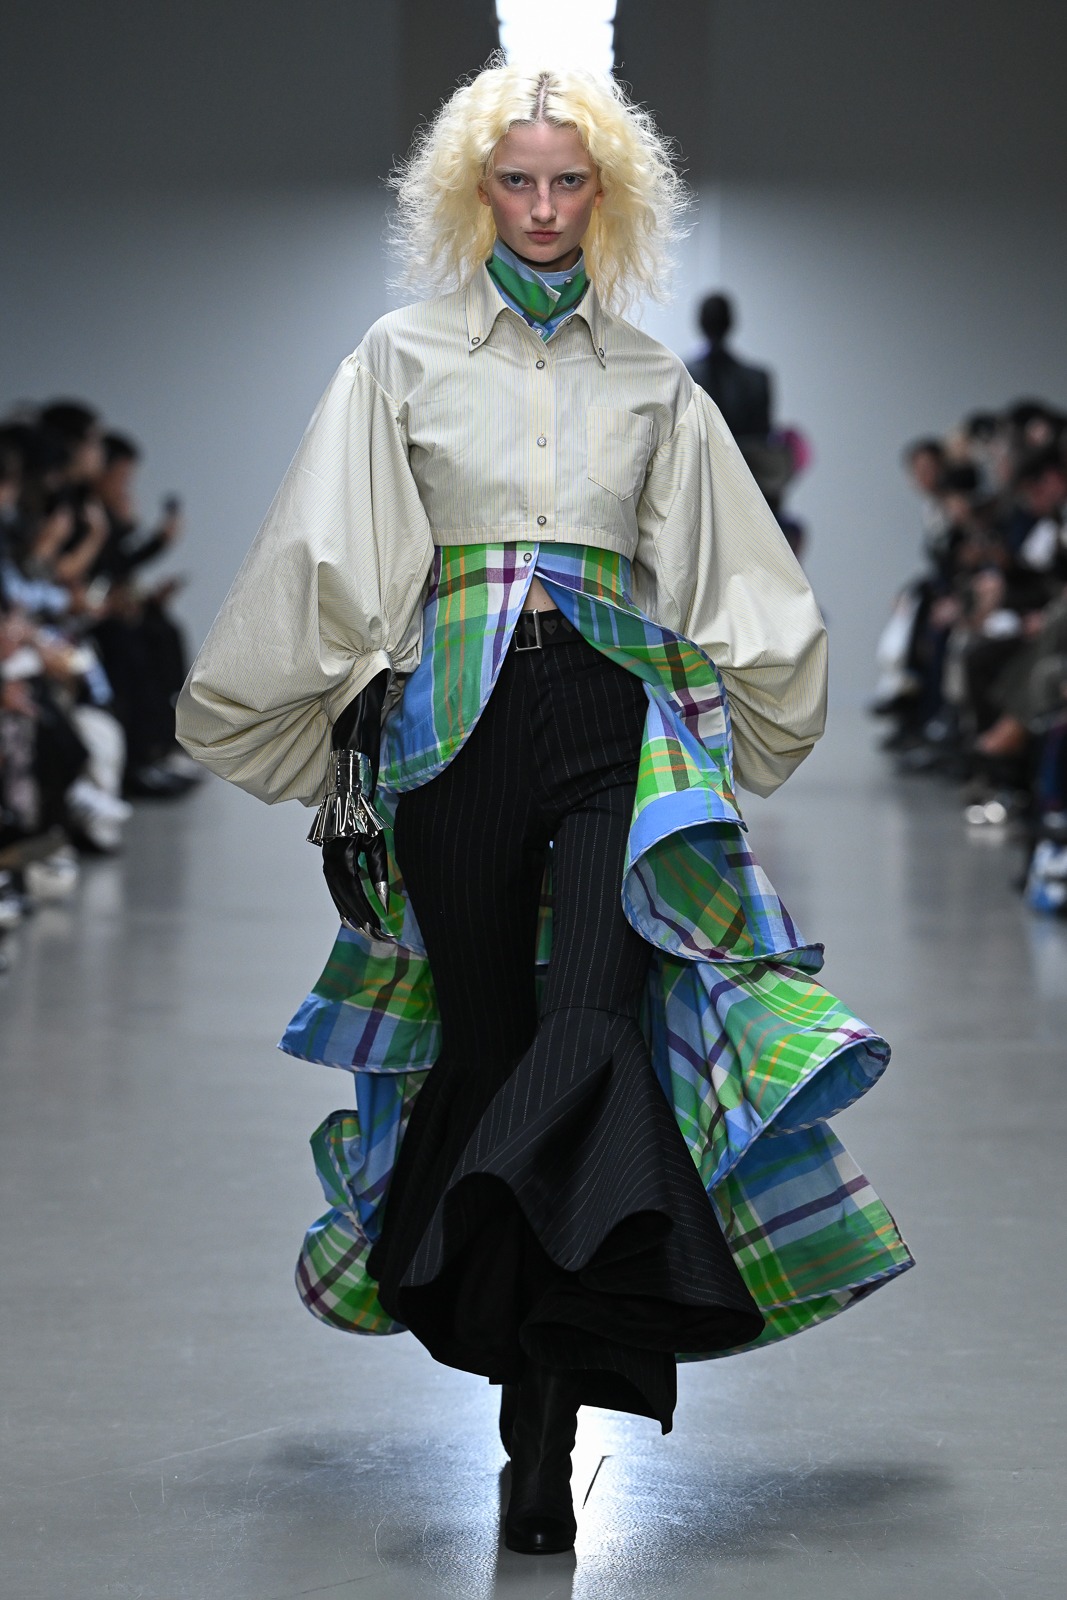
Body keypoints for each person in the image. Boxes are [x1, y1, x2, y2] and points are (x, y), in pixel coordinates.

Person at [177, 62, 912, 1556]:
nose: (543, 206)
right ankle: (530, 1421)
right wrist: (310, 708)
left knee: (587, 1031)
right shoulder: (399, 357)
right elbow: (332, 545)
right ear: (475, 191)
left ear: (609, 196)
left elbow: (726, 560)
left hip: (607, 722)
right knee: (488, 1047)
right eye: (517, 180)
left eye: (570, 182)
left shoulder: (650, 378)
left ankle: (532, 1395)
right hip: (450, 731)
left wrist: (756, 711)